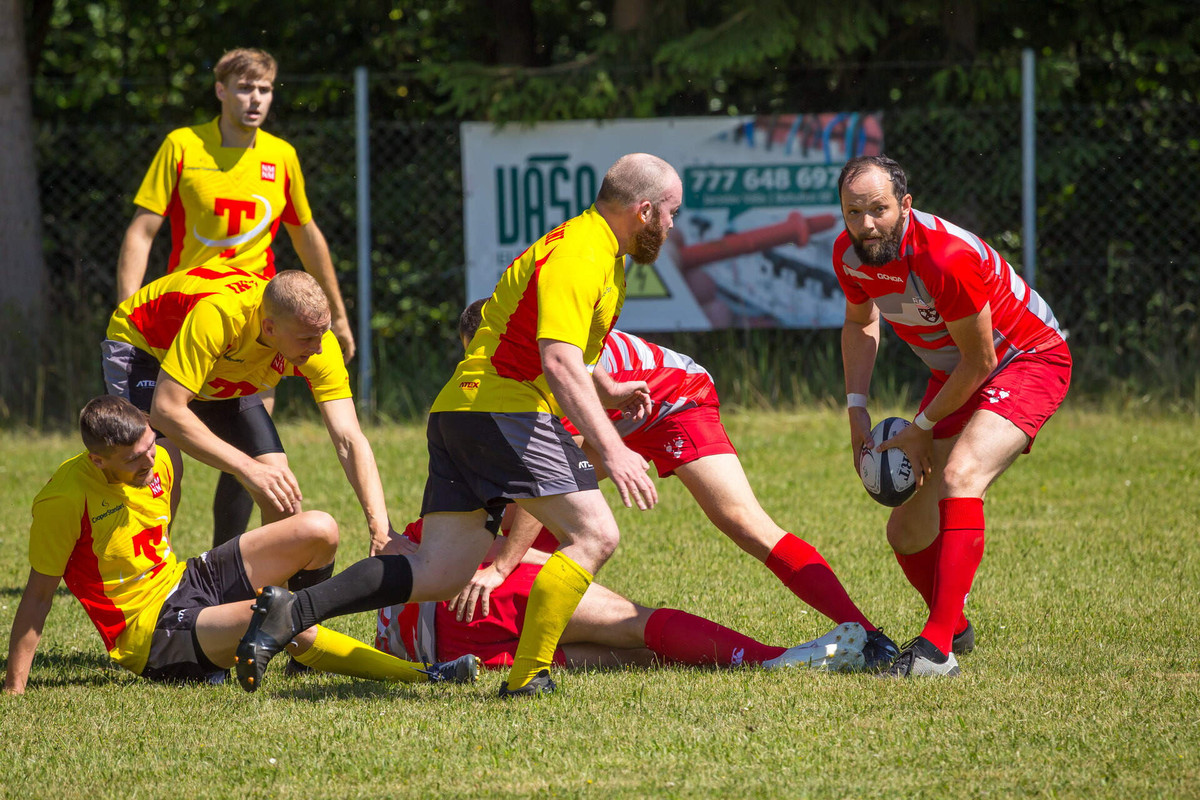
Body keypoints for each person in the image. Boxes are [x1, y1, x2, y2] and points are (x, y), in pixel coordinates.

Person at [232, 153, 681, 699]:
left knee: (439, 572)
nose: (672, 226)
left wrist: (608, 389)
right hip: (504, 410)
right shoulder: (582, 253)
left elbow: (561, 351)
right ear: (644, 210)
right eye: (671, 214)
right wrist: (612, 449)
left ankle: (292, 610)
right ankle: (528, 677)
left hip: (462, 411)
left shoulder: (601, 255)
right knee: (595, 535)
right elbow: (558, 360)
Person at [449, 299, 898, 670]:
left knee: (743, 521)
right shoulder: (513, 370)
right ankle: (549, 643)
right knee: (529, 523)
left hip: (674, 398)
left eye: (490, 353)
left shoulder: (550, 361)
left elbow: (547, 475)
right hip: (611, 422)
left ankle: (870, 636)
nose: (489, 366)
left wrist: (501, 567)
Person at [2, 396, 476, 696]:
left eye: (150, 446)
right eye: (133, 459)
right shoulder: (63, 501)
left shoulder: (159, 457)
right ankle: (427, 675)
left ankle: (283, 642)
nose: (149, 461)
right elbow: (39, 597)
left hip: (185, 580)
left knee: (319, 528)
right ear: (97, 460)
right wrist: (15, 689)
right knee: (281, 620)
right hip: (150, 632)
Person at [834, 154, 1071, 678]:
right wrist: (856, 410)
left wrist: (920, 429)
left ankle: (936, 651)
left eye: (878, 209)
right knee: (906, 532)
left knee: (962, 476)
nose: (866, 224)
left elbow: (982, 360)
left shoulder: (943, 257)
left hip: (1026, 359)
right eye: (853, 212)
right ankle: (955, 626)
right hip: (957, 370)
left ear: (906, 205)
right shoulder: (850, 256)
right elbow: (859, 323)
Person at [114, 47, 355, 543]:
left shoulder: (281, 156)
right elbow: (142, 230)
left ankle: (228, 561)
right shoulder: (183, 146)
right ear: (220, 90)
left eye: (264, 89)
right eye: (245, 88)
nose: (256, 99)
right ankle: (150, 561)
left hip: (259, 323)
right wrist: (128, 304)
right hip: (192, 316)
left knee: (253, 451)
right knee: (161, 454)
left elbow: (307, 236)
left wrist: (339, 315)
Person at [103, 268, 395, 559]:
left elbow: (349, 439)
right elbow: (166, 410)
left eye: (321, 335)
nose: (318, 349)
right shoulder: (221, 316)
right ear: (269, 328)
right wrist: (247, 468)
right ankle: (150, 572)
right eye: (306, 339)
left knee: (282, 497)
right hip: (146, 345)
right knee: (161, 465)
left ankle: (264, 586)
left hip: (217, 367)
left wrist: (381, 528)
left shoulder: (317, 339)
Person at [376, 516, 867, 673]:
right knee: (636, 621)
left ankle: (755, 659)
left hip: (435, 644)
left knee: (637, 656)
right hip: (472, 593)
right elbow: (520, 494)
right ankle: (774, 660)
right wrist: (522, 563)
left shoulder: (469, 401)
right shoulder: (501, 400)